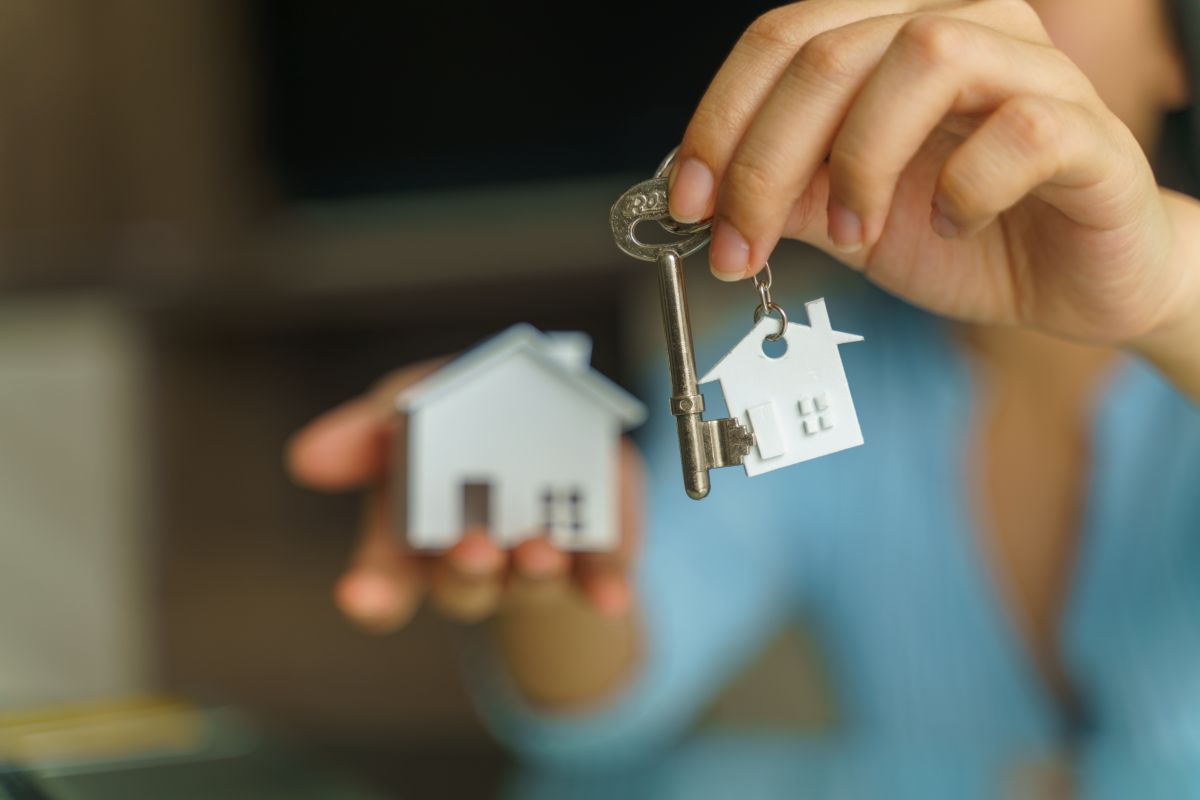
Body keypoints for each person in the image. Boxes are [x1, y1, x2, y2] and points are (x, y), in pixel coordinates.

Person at [287, 0, 1200, 764]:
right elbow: (606, 691)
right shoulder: (810, 367)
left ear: (1178, 52)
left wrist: (1169, 292)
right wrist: (549, 552)